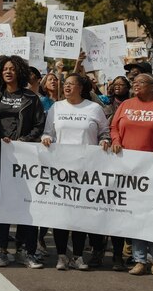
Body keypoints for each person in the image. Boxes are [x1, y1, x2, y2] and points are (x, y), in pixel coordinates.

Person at [111, 73, 153, 278]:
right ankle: (140, 260)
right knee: (136, 216)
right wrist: (116, 141)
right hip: (129, 170)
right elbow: (114, 127)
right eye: (134, 83)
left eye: (140, 82)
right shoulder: (126, 105)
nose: (135, 85)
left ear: (152, 86)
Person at [41, 74, 111, 271]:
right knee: (61, 214)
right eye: (66, 84)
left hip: (85, 171)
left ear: (81, 88)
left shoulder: (94, 108)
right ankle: (62, 256)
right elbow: (48, 132)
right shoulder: (57, 107)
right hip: (61, 171)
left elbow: (104, 133)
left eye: (72, 84)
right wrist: (46, 138)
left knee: (81, 215)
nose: (67, 87)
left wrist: (105, 141)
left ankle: (79, 256)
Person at [0, 54, 45, 269]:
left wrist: (20, 141)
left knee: (26, 202)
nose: (8, 71)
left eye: (12, 68)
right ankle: (2, 251)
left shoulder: (31, 97)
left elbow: (39, 126)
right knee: (2, 202)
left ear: (19, 71)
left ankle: (24, 250)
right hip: (0, 156)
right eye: (4, 69)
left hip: (24, 156)